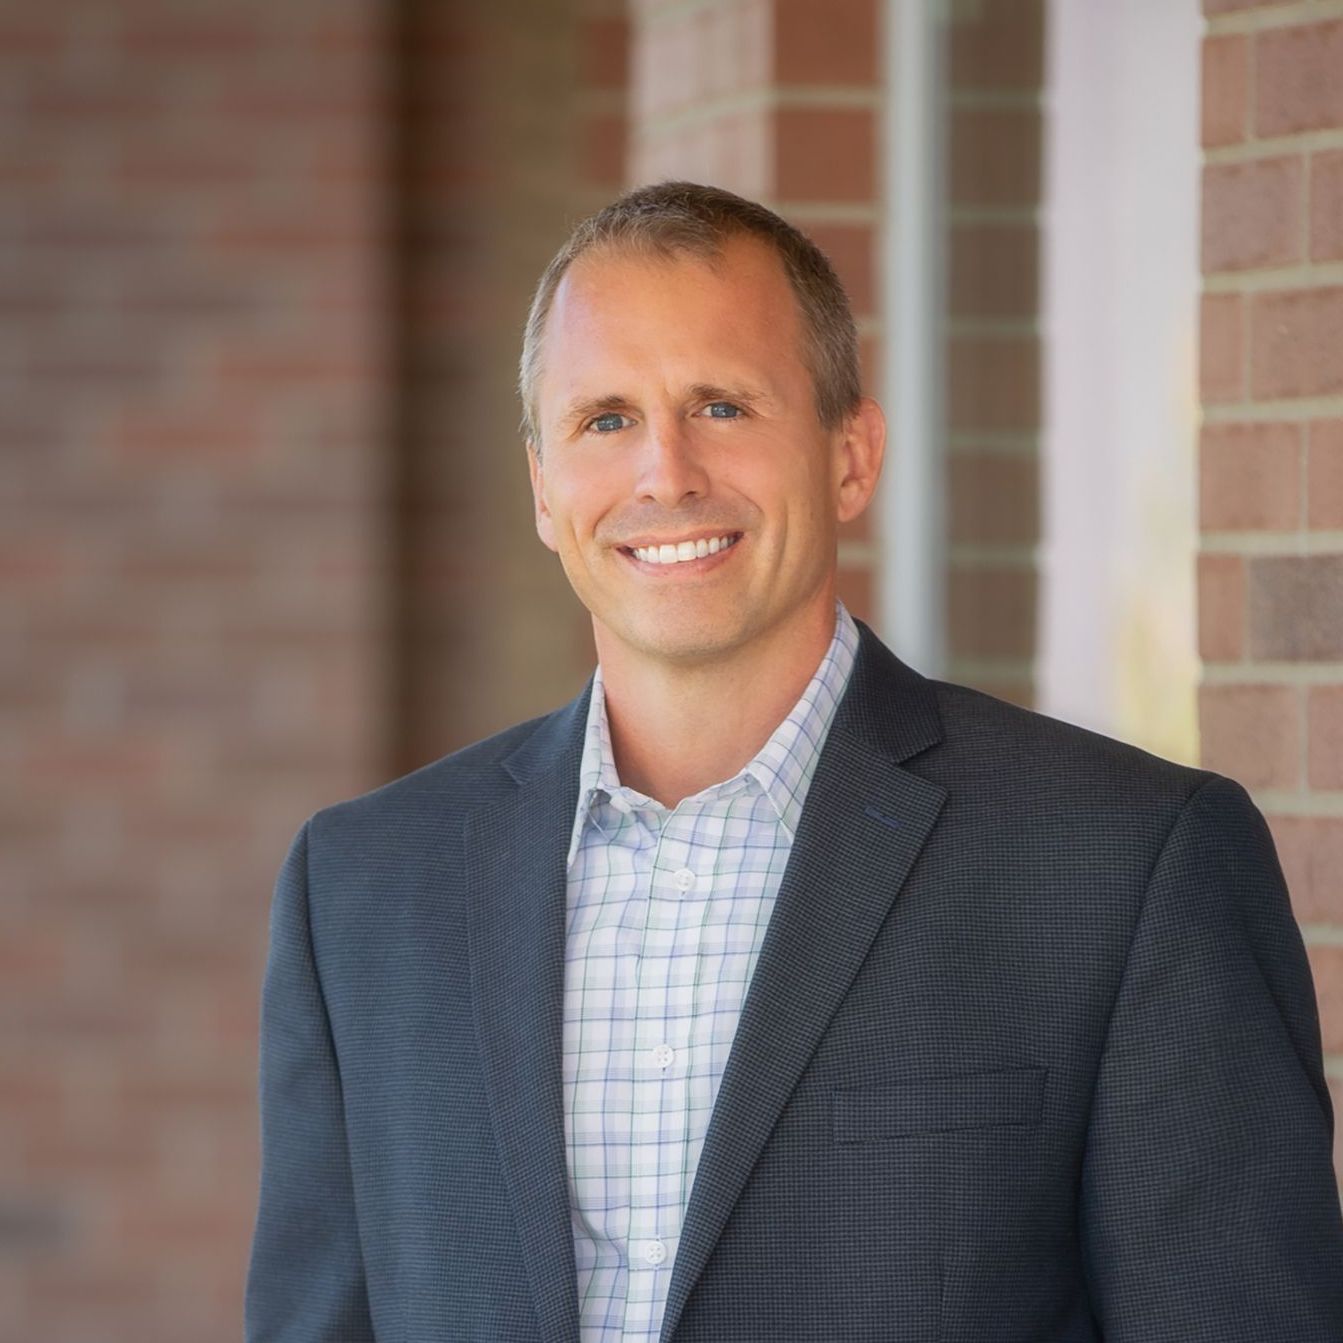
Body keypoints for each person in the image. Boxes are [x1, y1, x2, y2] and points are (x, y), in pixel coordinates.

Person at [244, 181, 1343, 1342]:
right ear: (542, 487)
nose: (663, 472)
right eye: (604, 418)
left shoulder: (1128, 865)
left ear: (850, 457)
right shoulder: (364, 888)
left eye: (720, 405)